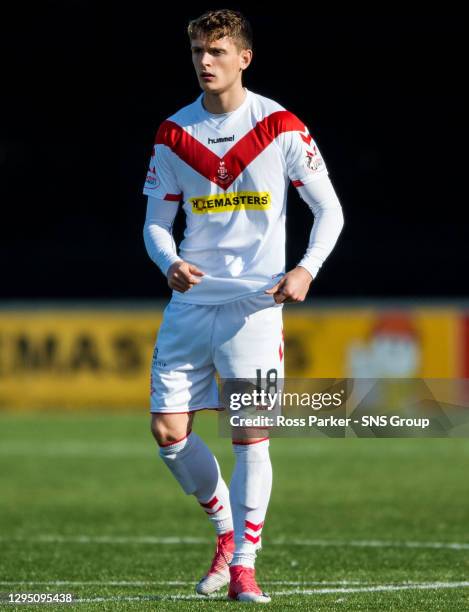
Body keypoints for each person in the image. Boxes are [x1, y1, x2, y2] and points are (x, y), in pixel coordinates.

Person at [143, 8, 344, 603]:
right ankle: (226, 534)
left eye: (218, 51)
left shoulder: (280, 126)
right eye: (199, 52)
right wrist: (169, 261)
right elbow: (156, 223)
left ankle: (246, 565)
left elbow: (329, 210)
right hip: (191, 305)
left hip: (255, 307)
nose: (206, 62)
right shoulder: (174, 134)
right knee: (167, 431)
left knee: (250, 436)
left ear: (244, 58)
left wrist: (306, 268)